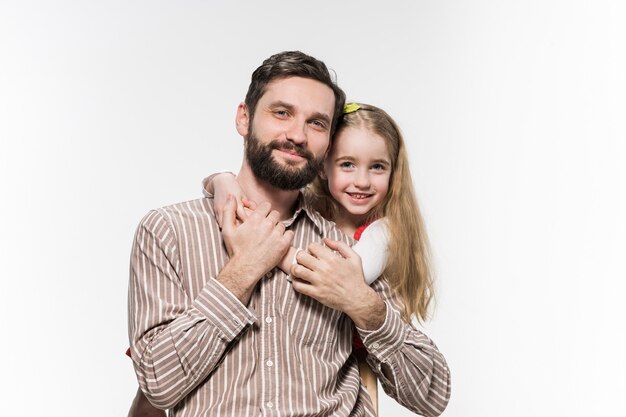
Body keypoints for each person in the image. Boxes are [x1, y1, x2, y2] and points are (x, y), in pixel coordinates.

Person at [127, 51, 450, 417]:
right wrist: (241, 273)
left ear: (328, 143)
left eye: (316, 123)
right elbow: (158, 382)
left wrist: (361, 303)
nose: (296, 135)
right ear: (244, 118)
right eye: (281, 113)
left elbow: (432, 395)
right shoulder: (168, 231)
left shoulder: (346, 251)